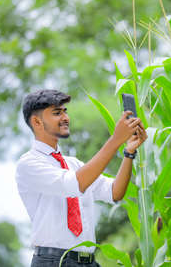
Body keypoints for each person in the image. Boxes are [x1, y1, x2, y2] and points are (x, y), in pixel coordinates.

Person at [16, 89, 147, 267]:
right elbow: (75, 184)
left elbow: (115, 192)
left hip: (88, 261)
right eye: (57, 113)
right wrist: (115, 139)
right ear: (37, 121)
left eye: (65, 111)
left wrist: (129, 152)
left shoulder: (74, 165)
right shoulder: (29, 164)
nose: (65, 118)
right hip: (53, 262)